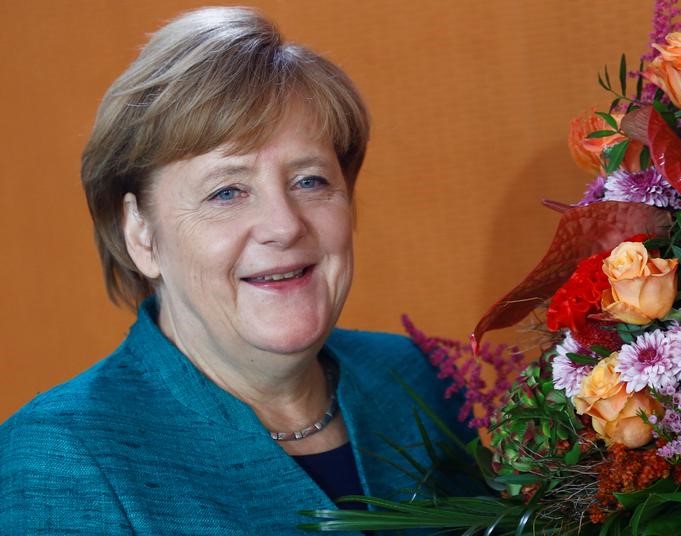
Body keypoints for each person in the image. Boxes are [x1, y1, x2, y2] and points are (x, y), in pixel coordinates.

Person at [0, 7, 466, 534]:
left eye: (310, 181)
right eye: (227, 191)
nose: (284, 226)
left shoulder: (414, 378)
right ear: (141, 235)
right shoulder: (60, 459)